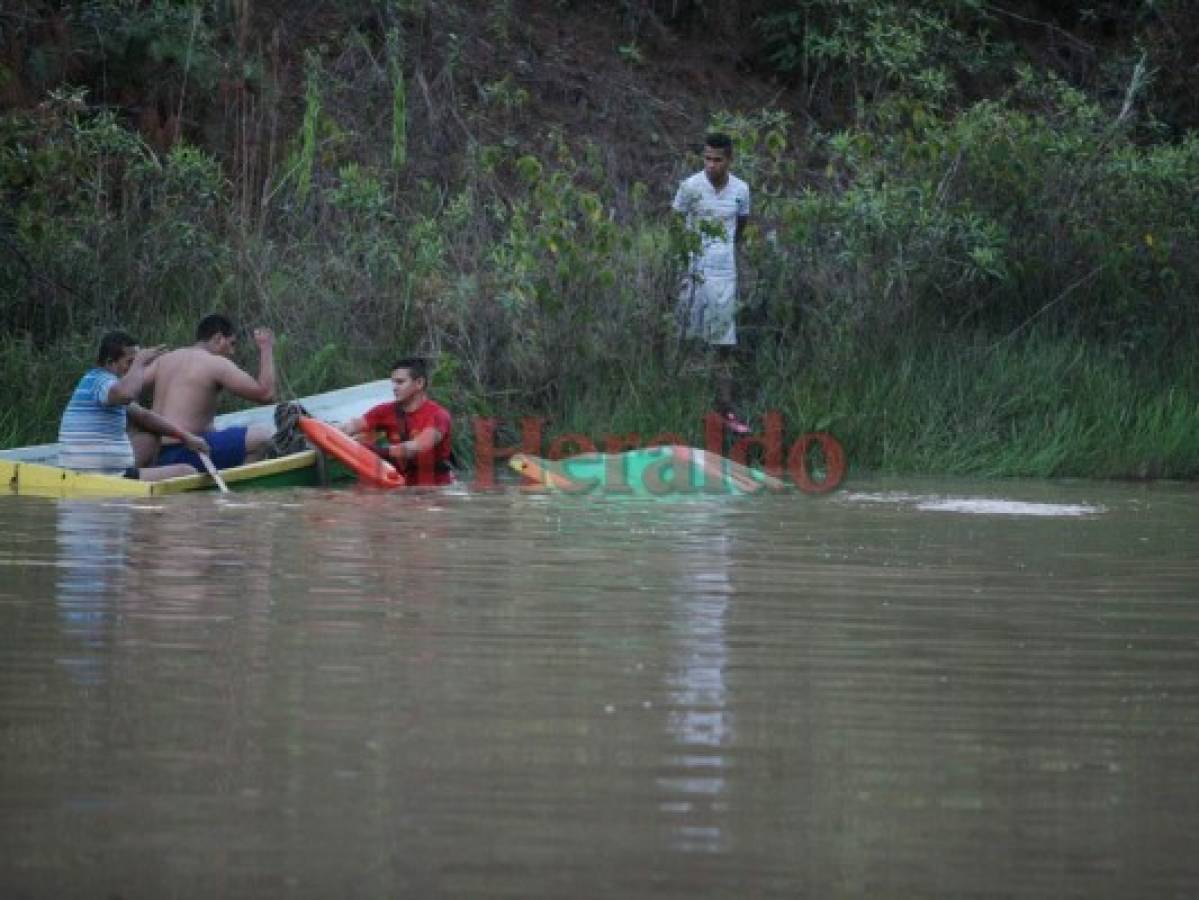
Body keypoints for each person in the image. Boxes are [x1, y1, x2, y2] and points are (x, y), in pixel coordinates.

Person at [672, 132, 752, 434]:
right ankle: (688, 406)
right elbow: (676, 223)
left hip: (724, 275)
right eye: (707, 158)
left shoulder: (741, 190)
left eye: (717, 160)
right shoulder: (690, 187)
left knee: (722, 344)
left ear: (729, 160)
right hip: (693, 272)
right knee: (690, 339)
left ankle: (725, 407)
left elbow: (739, 229)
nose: (711, 165)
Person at [58, 331, 210, 481]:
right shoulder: (102, 381)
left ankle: (140, 484)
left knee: (149, 439)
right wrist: (139, 362)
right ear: (111, 362)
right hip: (101, 477)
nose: (133, 369)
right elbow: (127, 394)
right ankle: (144, 493)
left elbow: (145, 416)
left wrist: (187, 437)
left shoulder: (104, 386)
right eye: (129, 362)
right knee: (188, 472)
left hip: (94, 473)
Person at [148, 313, 278, 470]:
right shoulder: (214, 363)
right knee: (263, 437)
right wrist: (266, 347)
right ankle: (241, 489)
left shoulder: (165, 359)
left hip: (155, 454)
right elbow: (266, 394)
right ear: (218, 339)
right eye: (232, 344)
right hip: (185, 452)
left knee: (222, 433)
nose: (232, 352)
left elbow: (129, 392)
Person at [340, 357, 454, 486]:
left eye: (400, 382)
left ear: (419, 383)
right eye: (393, 383)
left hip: (436, 489)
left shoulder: (438, 415)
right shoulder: (384, 410)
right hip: (400, 486)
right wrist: (331, 432)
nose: (394, 388)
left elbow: (419, 446)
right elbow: (352, 426)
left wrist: (376, 450)